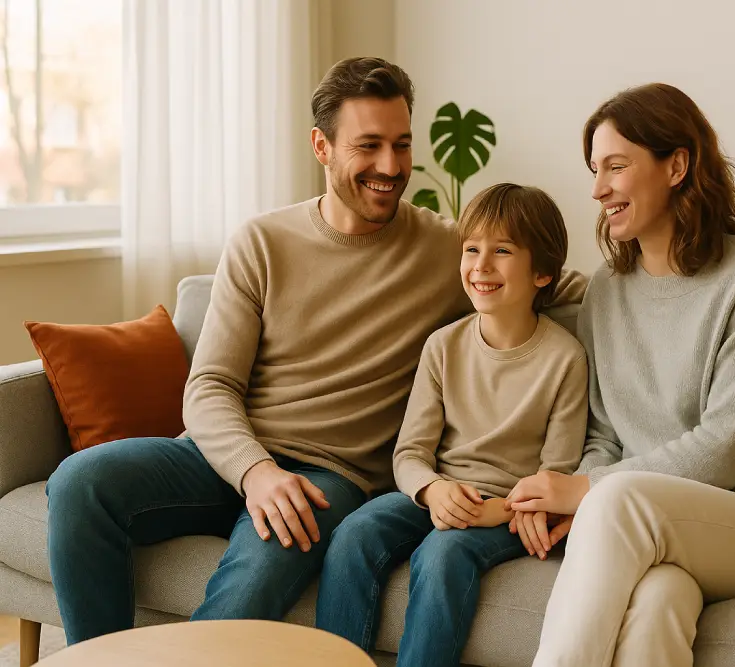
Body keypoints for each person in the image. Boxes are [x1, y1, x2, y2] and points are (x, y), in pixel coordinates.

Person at [44, 57, 588, 646]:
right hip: (223, 457)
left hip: (329, 478)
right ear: (321, 146)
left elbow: (551, 278)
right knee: (79, 482)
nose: (390, 167)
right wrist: (255, 472)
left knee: (249, 587)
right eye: (369, 146)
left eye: (402, 145)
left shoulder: (447, 248)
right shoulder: (262, 242)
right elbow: (210, 386)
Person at [504, 83, 735, 667]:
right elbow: (603, 432)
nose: (597, 189)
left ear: (676, 166)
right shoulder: (605, 291)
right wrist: (588, 488)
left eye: (616, 167)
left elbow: (726, 447)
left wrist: (586, 490)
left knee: (615, 501)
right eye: (595, 170)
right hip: (657, 524)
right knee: (656, 606)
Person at [315, 183, 589, 667]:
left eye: (502, 251)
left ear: (543, 272)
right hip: (439, 493)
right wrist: (431, 490)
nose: (481, 265)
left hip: (506, 510)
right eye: (471, 249)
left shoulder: (566, 358)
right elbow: (410, 453)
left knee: (443, 554)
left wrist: (498, 510)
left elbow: (557, 473)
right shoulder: (442, 346)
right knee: (354, 535)